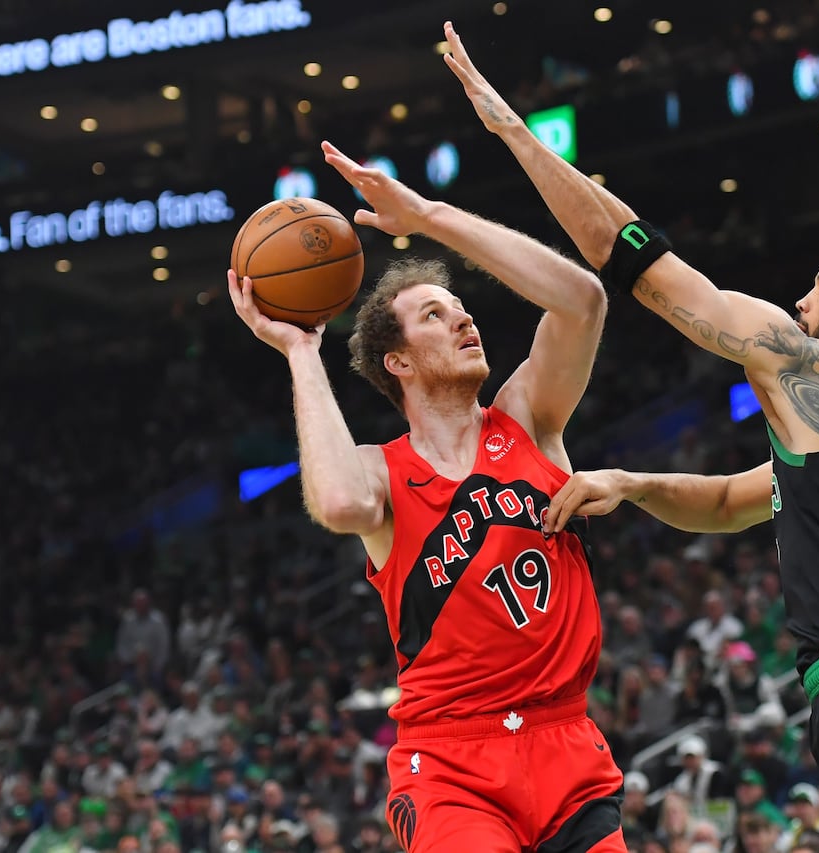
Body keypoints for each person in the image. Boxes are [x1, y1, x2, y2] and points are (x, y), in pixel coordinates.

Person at [441, 20, 819, 851]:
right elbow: (736, 502)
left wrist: (512, 131)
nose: (803, 300)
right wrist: (633, 482)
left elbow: (640, 267)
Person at [227, 140, 623, 852]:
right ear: (398, 360)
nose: (465, 320)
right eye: (436, 315)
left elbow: (583, 299)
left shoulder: (530, 417)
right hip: (450, 764)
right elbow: (341, 504)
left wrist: (430, 216)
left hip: (568, 744)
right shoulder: (382, 471)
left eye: (463, 307)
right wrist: (300, 351)